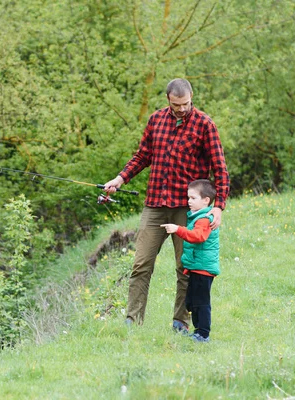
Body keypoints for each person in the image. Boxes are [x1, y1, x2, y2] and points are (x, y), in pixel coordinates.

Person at [103, 78, 229, 332]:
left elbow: (220, 169)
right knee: (141, 263)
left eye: (185, 103)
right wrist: (120, 178)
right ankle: (132, 319)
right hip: (155, 205)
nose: (182, 108)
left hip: (188, 209)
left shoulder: (205, 125)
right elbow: (142, 156)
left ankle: (180, 322)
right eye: (176, 104)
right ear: (168, 100)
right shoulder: (156, 120)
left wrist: (218, 206)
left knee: (185, 267)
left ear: (191, 97)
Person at [161, 179, 219, 343]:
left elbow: (198, 237)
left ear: (206, 200)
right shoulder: (196, 216)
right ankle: (197, 331)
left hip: (203, 269)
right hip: (196, 267)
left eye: (193, 198)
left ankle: (203, 334)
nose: (188, 201)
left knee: (201, 302)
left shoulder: (205, 219)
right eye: (188, 198)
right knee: (192, 301)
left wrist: (178, 229)